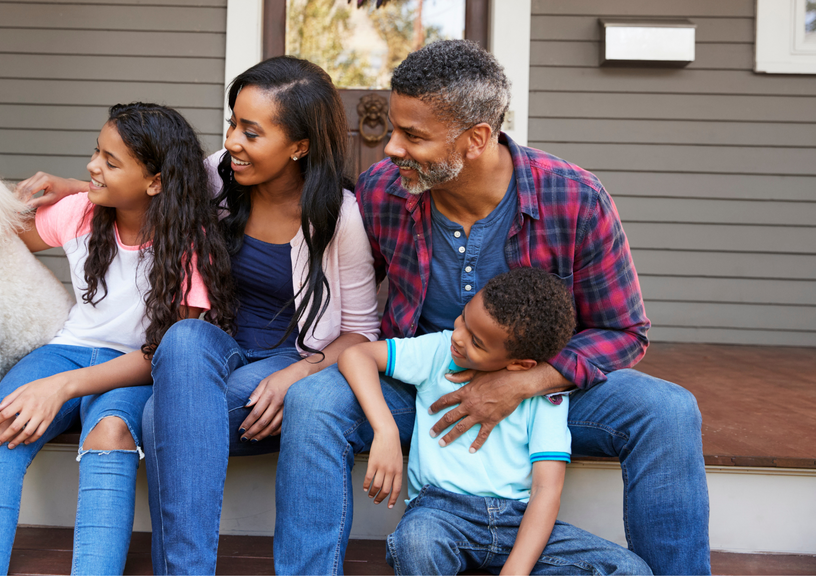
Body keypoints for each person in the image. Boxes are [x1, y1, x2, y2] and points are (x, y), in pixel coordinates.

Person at [275, 40, 709, 575]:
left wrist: (521, 384)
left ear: (477, 137)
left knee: (667, 410)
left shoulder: (573, 198)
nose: (390, 148)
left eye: (413, 135)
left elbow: (623, 331)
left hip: (543, 396)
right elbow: (349, 300)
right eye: (393, 128)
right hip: (423, 387)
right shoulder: (383, 191)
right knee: (315, 402)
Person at [0, 103, 235, 575]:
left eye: (110, 161)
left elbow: (164, 355)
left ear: (156, 181)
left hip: (134, 368)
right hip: (66, 350)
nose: (91, 167)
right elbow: (7, 234)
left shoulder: (191, 242)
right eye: (95, 153)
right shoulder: (82, 212)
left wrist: (63, 387)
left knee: (111, 433)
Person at [141, 55, 380, 575]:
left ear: (300, 145)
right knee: (182, 338)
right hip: (217, 350)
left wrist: (298, 373)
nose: (232, 142)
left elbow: (362, 331)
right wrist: (70, 191)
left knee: (157, 415)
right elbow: (139, 190)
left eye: (251, 132)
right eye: (232, 123)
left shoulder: (340, 217)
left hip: (293, 357)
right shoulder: (214, 180)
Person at [339, 267, 651, 575]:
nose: (458, 337)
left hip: (517, 521)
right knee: (415, 543)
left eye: (477, 342)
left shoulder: (547, 396)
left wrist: (516, 570)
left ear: (521, 364)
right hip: (439, 514)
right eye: (463, 319)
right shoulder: (437, 351)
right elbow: (357, 356)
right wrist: (385, 429)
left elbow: (546, 490)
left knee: (628, 569)